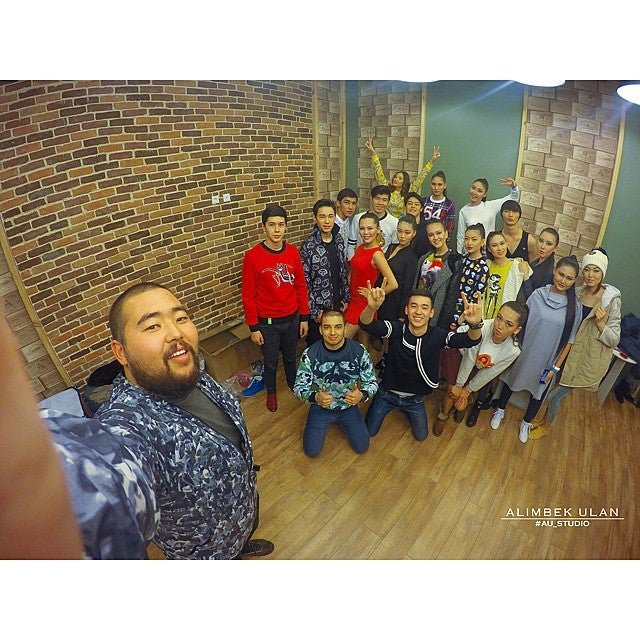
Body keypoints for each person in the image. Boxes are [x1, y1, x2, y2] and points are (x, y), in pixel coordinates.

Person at [96, 281, 274, 559]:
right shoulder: (125, 426)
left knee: (243, 536)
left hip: (242, 508)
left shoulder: (186, 372)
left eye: (181, 318)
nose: (176, 333)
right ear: (121, 352)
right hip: (206, 554)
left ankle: (242, 544)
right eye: (153, 326)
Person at [359, 281, 482, 441]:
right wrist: (371, 308)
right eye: (413, 306)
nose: (418, 312)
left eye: (424, 307)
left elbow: (470, 340)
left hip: (415, 400)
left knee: (421, 436)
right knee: (369, 432)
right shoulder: (397, 329)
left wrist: (475, 325)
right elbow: (366, 324)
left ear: (431, 313)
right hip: (386, 394)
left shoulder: (437, 335)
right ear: (406, 310)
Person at [529, 248, 622, 439]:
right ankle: (543, 418)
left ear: (603, 273)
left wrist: (601, 324)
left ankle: (547, 425)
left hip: (585, 359)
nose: (590, 275)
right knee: (551, 388)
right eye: (587, 269)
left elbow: (614, 339)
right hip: (567, 353)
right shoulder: (577, 293)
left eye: (596, 270)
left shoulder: (610, 301)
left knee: (555, 395)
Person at [492, 256, 582, 443]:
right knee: (511, 380)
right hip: (524, 352)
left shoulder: (575, 308)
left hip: (547, 360)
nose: (563, 280)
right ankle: (499, 409)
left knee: (538, 392)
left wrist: (555, 368)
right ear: (554, 271)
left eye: (569, 278)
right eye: (561, 274)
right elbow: (520, 325)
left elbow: (569, 342)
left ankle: (526, 422)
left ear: (574, 281)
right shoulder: (537, 295)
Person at [241, 203, 310, 412]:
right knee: (270, 362)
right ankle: (271, 391)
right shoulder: (253, 256)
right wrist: (254, 327)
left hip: (292, 318)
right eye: (272, 225)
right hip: (268, 323)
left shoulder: (293, 252)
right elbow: (248, 295)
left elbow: (300, 286)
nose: (277, 230)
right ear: (264, 227)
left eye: (281, 224)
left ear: (286, 226)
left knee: (290, 356)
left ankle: (292, 382)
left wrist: (304, 316)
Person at [434, 301, 528, 434]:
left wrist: (467, 390)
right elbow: (469, 358)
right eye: (499, 318)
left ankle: (460, 408)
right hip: (459, 351)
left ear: (517, 330)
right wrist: (459, 386)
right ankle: (443, 416)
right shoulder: (482, 329)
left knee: (464, 392)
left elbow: (490, 373)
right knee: (452, 388)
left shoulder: (513, 350)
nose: (500, 326)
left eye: (509, 324)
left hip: (478, 365)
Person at [293, 310, 378, 457]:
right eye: (327, 327)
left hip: (348, 406)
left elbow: (372, 383)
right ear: (320, 330)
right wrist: (315, 397)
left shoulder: (359, 351)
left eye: (338, 327)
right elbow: (298, 387)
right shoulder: (310, 354)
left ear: (345, 328)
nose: (333, 332)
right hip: (321, 407)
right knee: (311, 452)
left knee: (362, 447)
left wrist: (362, 394)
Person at [300, 199, 350, 346]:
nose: (327, 221)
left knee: (337, 344)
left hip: (338, 304)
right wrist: (314, 311)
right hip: (319, 309)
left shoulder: (339, 240)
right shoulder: (308, 245)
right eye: (322, 217)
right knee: (317, 346)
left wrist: (346, 298)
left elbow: (342, 271)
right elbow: (304, 281)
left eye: (330, 216)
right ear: (315, 218)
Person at [344, 212, 398, 339]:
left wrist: (374, 295)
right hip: (353, 298)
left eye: (370, 228)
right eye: (362, 228)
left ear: (378, 230)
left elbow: (393, 284)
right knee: (363, 341)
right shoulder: (361, 247)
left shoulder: (377, 254)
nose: (365, 232)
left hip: (364, 303)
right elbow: (354, 271)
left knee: (342, 339)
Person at [365, 134, 441, 218]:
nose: (396, 179)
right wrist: (373, 153)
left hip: (401, 223)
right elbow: (379, 173)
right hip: (385, 220)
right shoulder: (387, 190)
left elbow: (421, 177)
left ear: (405, 182)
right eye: (395, 177)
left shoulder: (409, 192)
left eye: (400, 178)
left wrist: (432, 161)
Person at [414, 219, 463, 329]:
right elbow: (415, 287)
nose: (435, 238)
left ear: (446, 233)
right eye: (431, 235)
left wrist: (443, 325)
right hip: (418, 313)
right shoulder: (424, 259)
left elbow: (451, 297)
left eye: (439, 233)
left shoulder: (455, 261)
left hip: (438, 318)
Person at [456, 177, 519, 254]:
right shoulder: (464, 211)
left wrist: (514, 187)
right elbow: (461, 235)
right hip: (470, 253)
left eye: (479, 191)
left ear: (485, 194)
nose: (474, 192)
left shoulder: (490, 206)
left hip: (489, 252)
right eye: (473, 188)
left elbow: (513, 198)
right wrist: (459, 253)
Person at [378, 215, 419, 322]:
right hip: (380, 296)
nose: (402, 236)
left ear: (414, 233)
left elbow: (408, 288)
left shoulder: (412, 258)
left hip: (394, 302)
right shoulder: (391, 247)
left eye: (407, 232)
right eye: (400, 231)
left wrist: (402, 314)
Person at [483, 230, 532, 320]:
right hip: (483, 317)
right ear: (489, 249)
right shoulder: (486, 265)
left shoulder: (517, 266)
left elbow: (528, 294)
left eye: (502, 243)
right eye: (494, 245)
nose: (500, 248)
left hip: (505, 319)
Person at [345, 185, 398, 260]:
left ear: (388, 202)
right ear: (371, 199)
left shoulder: (394, 222)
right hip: (359, 262)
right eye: (377, 198)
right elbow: (351, 245)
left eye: (384, 200)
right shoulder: (358, 218)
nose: (380, 203)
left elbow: (394, 248)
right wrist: (352, 262)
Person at [521, 227, 559, 300]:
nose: (542, 246)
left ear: (555, 248)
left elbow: (534, 299)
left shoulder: (549, 273)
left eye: (549, 244)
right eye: (541, 241)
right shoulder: (536, 262)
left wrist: (525, 277)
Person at [420, 170, 456, 234]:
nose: (436, 188)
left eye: (440, 184)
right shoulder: (423, 201)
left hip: (439, 238)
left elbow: (449, 227)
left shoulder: (449, 204)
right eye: (433, 184)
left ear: (445, 185)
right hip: (422, 237)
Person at [335, 188, 359, 259]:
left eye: (353, 203)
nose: (350, 207)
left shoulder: (348, 220)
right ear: (338, 203)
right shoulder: (331, 222)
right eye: (346, 202)